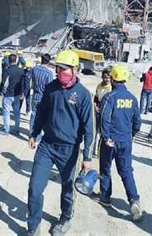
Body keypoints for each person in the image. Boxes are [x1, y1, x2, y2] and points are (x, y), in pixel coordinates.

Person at [27, 50, 94, 236]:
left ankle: (65, 219)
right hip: (46, 146)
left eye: (65, 69)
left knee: (67, 189)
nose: (61, 72)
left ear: (75, 69)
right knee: (34, 188)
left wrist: (87, 156)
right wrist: (34, 133)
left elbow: (90, 128)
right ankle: (33, 226)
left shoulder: (83, 95)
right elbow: (41, 112)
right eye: (59, 68)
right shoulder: (51, 88)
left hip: (69, 150)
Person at [94, 65, 143, 221]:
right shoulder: (132, 98)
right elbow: (137, 121)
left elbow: (104, 118)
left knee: (105, 169)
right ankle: (134, 199)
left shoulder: (110, 97)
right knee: (126, 171)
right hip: (125, 141)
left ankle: (105, 197)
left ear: (113, 79)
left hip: (110, 141)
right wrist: (131, 134)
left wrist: (106, 136)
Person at [29, 53, 54, 139]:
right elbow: (50, 87)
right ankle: (38, 135)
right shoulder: (49, 73)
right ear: (48, 62)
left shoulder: (34, 69)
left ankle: (31, 133)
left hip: (35, 95)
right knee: (42, 117)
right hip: (43, 97)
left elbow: (28, 77)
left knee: (33, 114)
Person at [1, 54, 24, 135]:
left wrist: (2, 91)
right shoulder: (21, 70)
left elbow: (4, 83)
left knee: (6, 112)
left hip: (8, 94)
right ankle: (17, 129)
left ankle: (6, 130)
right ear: (16, 60)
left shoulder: (7, 70)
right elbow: (23, 83)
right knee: (17, 112)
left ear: (9, 60)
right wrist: (22, 93)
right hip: (17, 94)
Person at [93, 69, 112, 157]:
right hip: (99, 109)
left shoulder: (111, 87)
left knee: (104, 131)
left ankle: (101, 150)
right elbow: (96, 98)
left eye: (108, 78)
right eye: (105, 77)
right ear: (102, 77)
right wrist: (95, 106)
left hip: (107, 110)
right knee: (96, 131)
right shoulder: (99, 86)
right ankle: (94, 149)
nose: (106, 79)